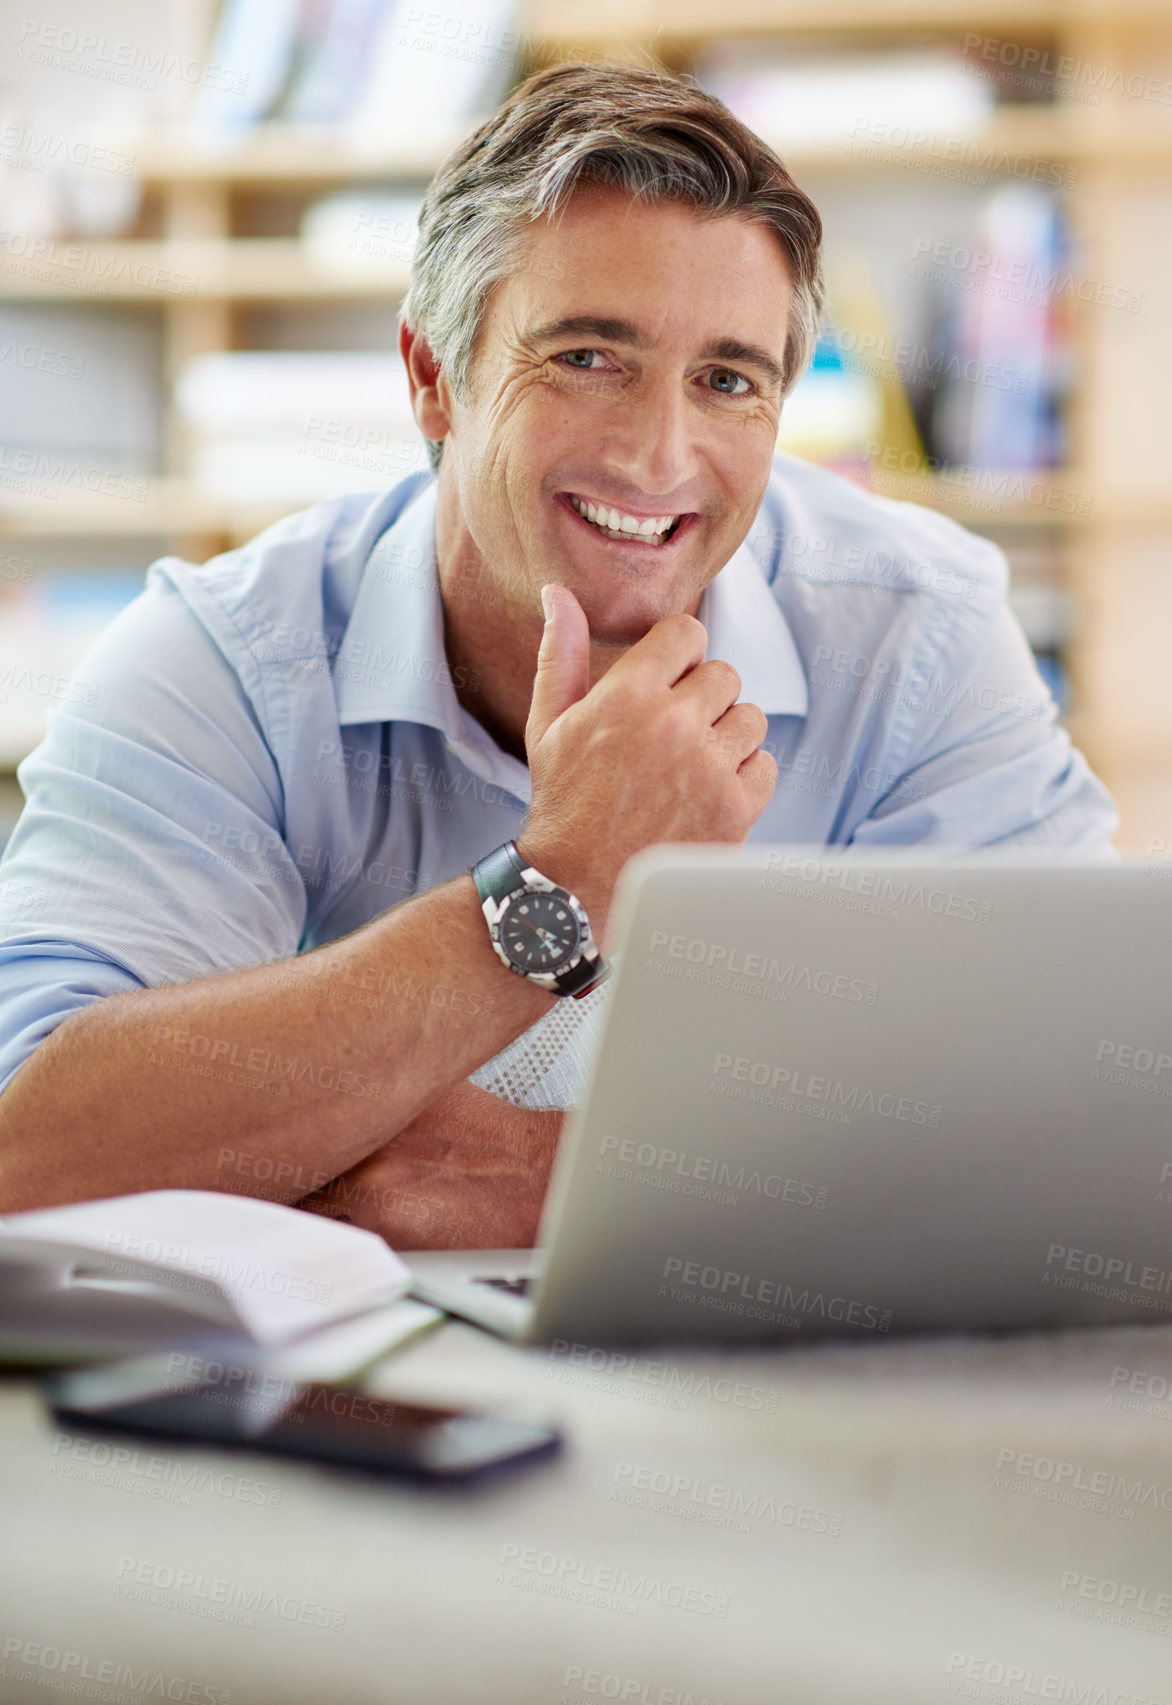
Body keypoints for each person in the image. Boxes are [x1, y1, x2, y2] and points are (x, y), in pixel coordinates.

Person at [0, 62, 1117, 1241]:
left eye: (726, 380)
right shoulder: (222, 659)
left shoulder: (914, 630)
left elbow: (1103, 1115)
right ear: (435, 377)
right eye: (587, 357)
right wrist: (560, 881)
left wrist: (562, 1178)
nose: (656, 455)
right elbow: (29, 1148)